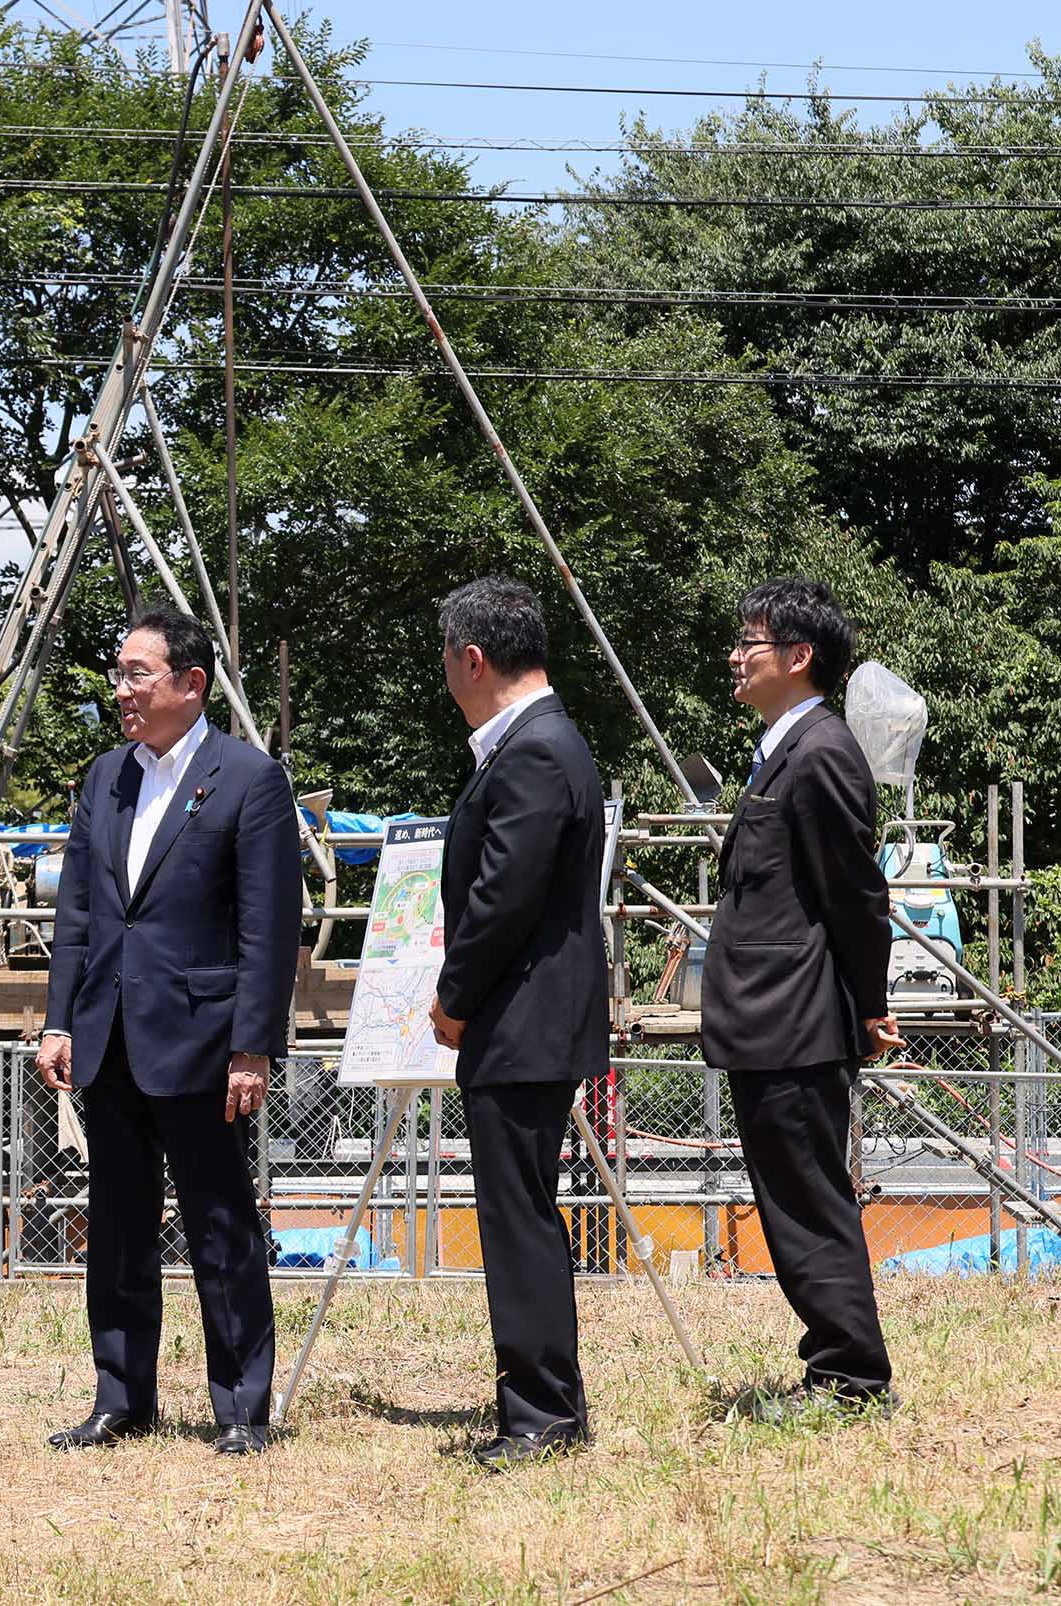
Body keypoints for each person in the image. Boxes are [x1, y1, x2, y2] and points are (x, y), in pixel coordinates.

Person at [36, 605, 300, 1456]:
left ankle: (240, 1408)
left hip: (202, 1042)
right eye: (119, 674)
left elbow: (269, 928)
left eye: (137, 674)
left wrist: (253, 1045)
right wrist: (57, 1021)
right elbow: (76, 913)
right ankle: (121, 1397)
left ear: (191, 682)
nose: (122, 690)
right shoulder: (105, 776)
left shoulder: (249, 779)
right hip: (106, 1039)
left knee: (221, 1224)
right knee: (114, 1225)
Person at [425, 577, 609, 1470]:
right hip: (530, 1020)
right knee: (524, 1213)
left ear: (474, 658)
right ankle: (546, 1403)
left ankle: (541, 1413)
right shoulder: (542, 742)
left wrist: (452, 997)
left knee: (518, 1218)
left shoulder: (533, 750)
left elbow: (502, 900)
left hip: (521, 1021)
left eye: (446, 662)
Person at [701, 578, 898, 1411]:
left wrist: (868, 1004)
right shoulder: (783, 749)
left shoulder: (819, 752)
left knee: (809, 1201)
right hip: (769, 1019)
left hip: (797, 1020)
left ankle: (851, 1375)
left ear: (798, 656)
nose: (737, 657)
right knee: (792, 1197)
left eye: (752, 642)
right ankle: (836, 1362)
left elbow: (855, 895)